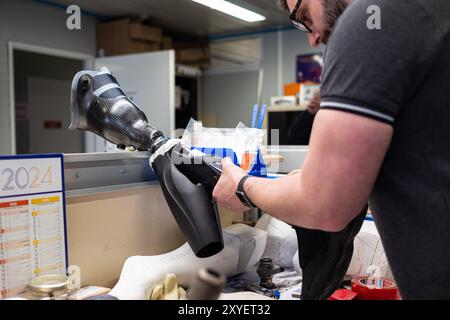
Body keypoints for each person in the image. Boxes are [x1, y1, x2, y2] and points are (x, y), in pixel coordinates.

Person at [213, 0, 450, 299]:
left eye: (302, 17)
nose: (312, 37)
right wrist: (314, 179)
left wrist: (243, 186)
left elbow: (325, 205)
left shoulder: (369, 20)